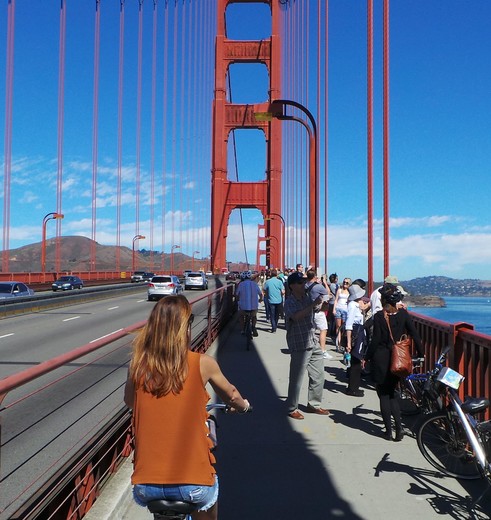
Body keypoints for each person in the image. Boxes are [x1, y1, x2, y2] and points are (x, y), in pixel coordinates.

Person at [124, 295, 250, 519]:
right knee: (205, 494)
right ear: (185, 327)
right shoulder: (203, 363)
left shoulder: (137, 364)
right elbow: (232, 395)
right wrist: (243, 407)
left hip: (146, 485)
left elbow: (130, 401)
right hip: (193, 485)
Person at [365, 283, 424, 441]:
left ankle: (388, 432)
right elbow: (414, 334)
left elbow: (375, 340)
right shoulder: (403, 314)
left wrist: (366, 356)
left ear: (384, 300)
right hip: (397, 359)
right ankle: (399, 430)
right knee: (392, 393)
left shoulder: (378, 316)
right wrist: (421, 353)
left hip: (380, 358)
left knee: (383, 394)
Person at [284, 271, 330, 420]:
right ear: (292, 286)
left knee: (318, 375)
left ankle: (314, 404)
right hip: (299, 343)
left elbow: (317, 310)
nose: (303, 284)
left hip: (312, 340)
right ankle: (292, 408)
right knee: (296, 378)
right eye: (300, 282)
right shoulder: (289, 301)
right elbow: (296, 317)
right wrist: (313, 305)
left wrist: (325, 302)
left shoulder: (307, 297)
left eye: (304, 282)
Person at [345, 284, 371, 396]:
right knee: (356, 361)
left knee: (356, 362)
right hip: (356, 332)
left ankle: (353, 386)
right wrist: (349, 342)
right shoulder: (352, 306)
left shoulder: (355, 304)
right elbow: (349, 324)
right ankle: (353, 388)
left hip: (358, 331)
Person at [305, 269, 333, 359]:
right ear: (315, 277)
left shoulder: (304, 285)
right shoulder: (318, 287)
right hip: (318, 311)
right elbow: (328, 294)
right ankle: (323, 351)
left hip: (307, 311)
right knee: (323, 330)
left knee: (311, 330)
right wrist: (324, 282)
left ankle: (309, 348)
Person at [235, 270, 263, 336]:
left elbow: (237, 295)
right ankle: (253, 327)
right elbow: (260, 294)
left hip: (243, 308)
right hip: (254, 307)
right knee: (254, 316)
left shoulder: (241, 284)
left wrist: (237, 300)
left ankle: (242, 330)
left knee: (241, 316)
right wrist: (260, 300)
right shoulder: (255, 284)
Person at [263, 268, 285, 333]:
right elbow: (283, 291)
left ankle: (273, 328)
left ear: (270, 274)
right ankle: (275, 325)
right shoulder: (280, 282)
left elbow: (264, 290)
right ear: (276, 274)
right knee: (277, 314)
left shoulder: (267, 282)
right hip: (279, 300)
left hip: (270, 300)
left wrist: (267, 295)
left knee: (272, 315)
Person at [333, 277, 351, 350]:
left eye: (347, 283)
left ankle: (343, 343)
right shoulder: (339, 290)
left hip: (346, 310)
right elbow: (336, 300)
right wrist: (334, 309)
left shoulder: (350, 292)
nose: (345, 284)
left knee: (344, 327)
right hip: (338, 308)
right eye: (344, 282)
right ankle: (338, 343)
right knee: (338, 326)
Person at [327, 273, 339, 341]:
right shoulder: (333, 285)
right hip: (333, 303)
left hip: (332, 302)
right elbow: (336, 292)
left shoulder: (333, 285)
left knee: (332, 319)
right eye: (336, 278)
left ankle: (331, 332)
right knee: (333, 319)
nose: (337, 279)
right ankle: (332, 333)